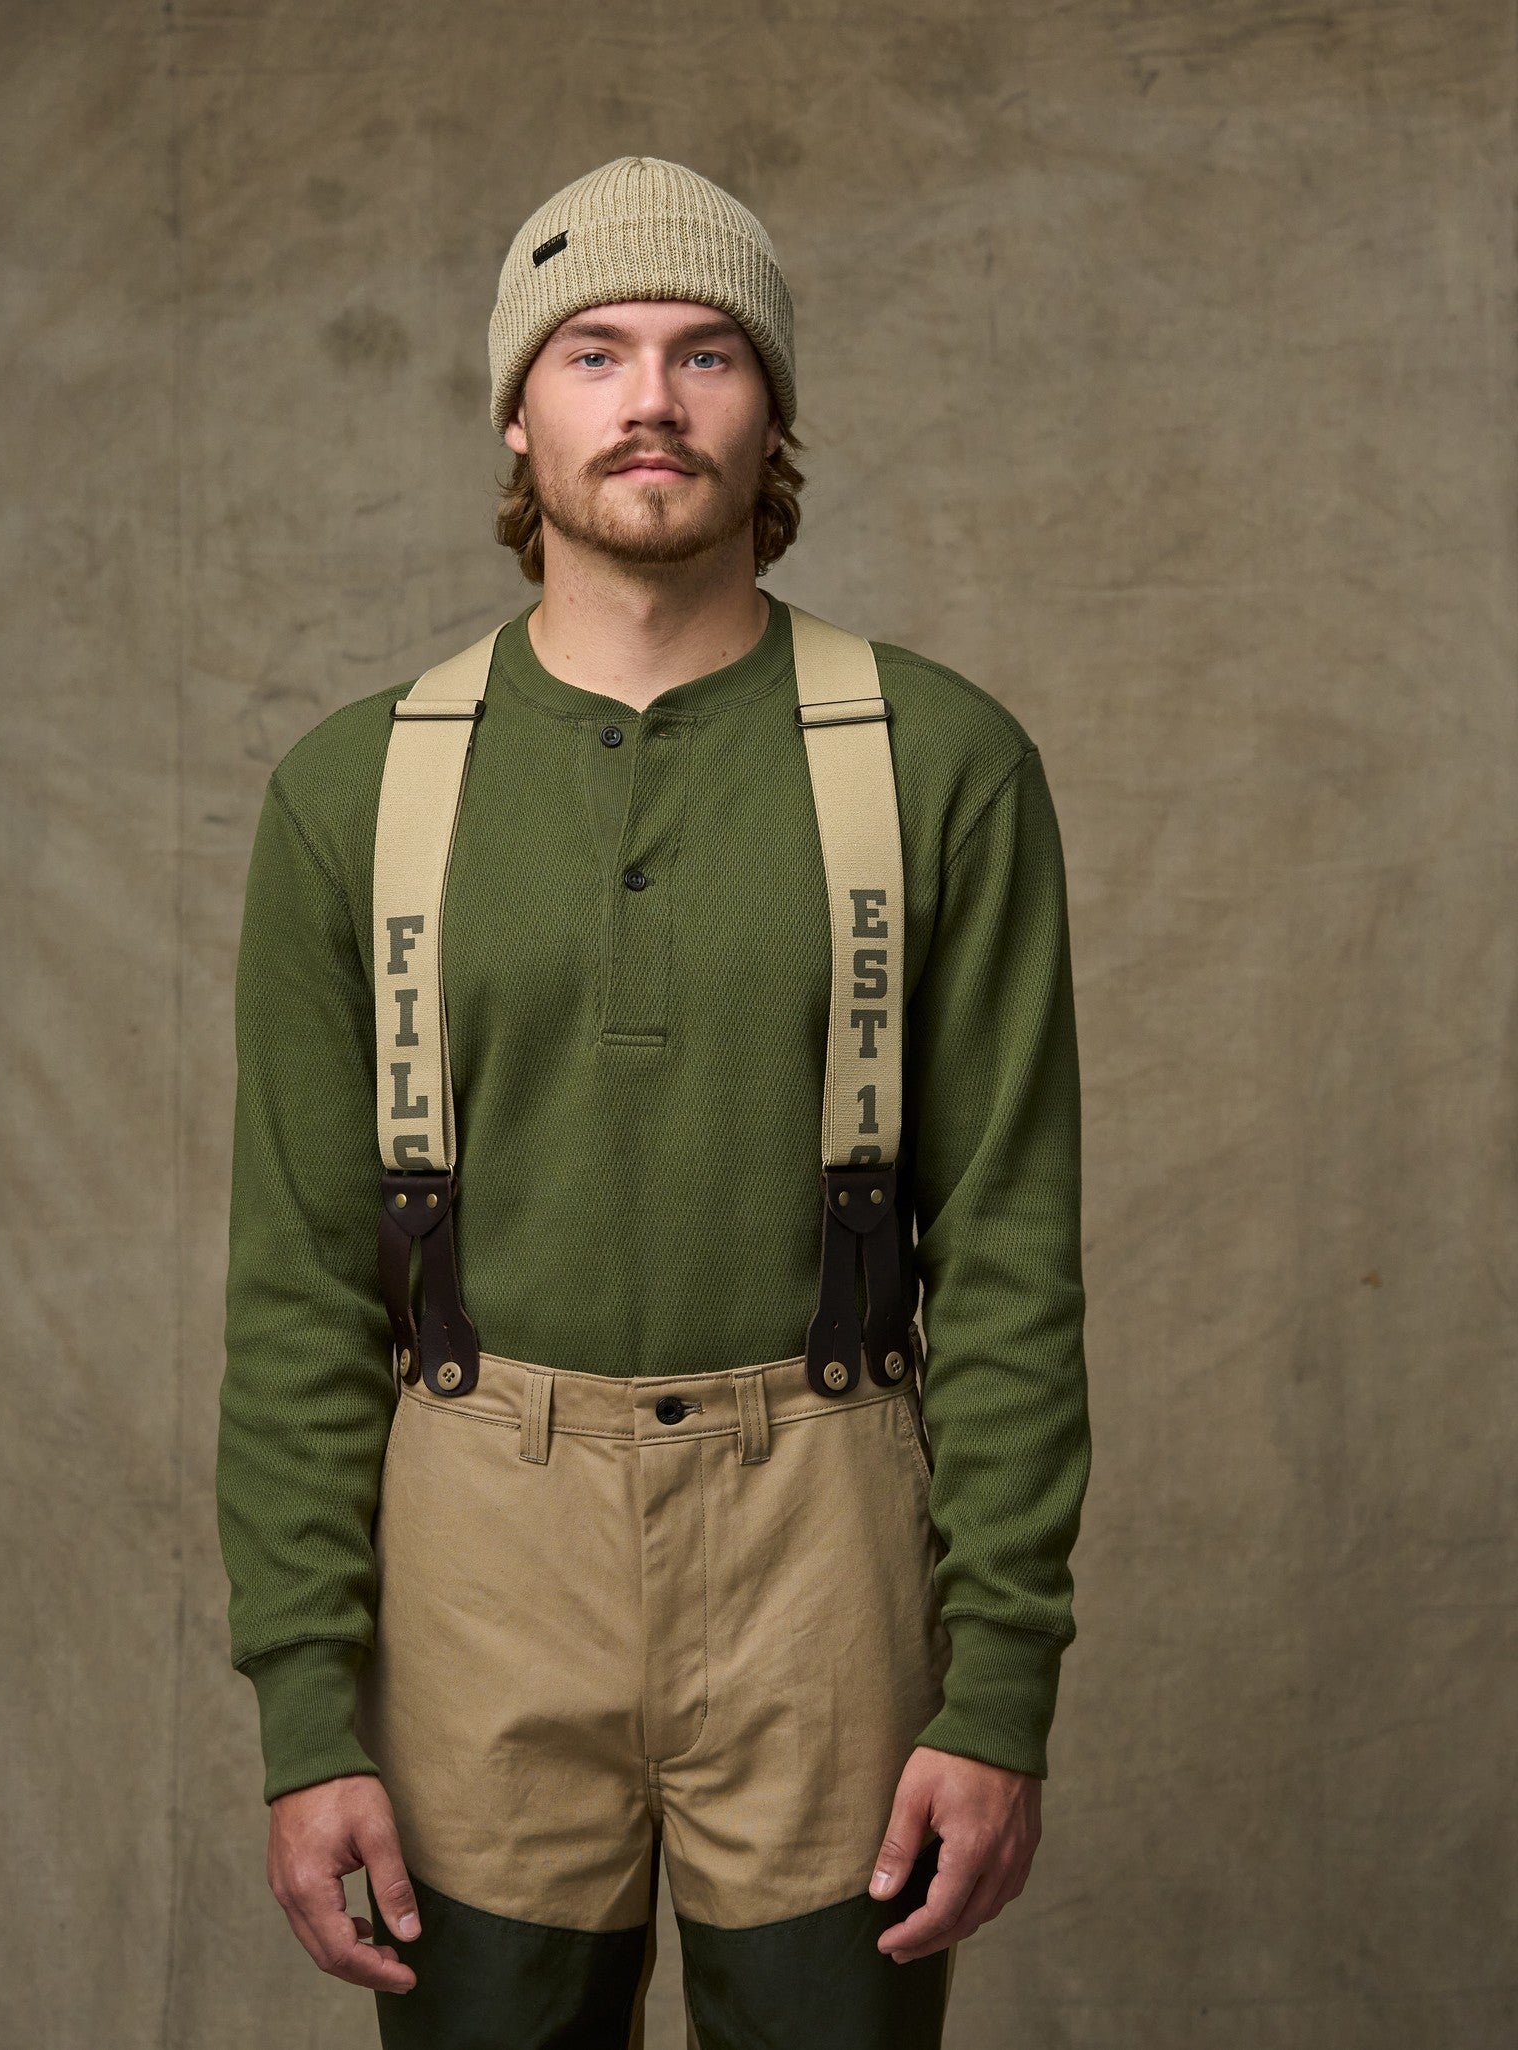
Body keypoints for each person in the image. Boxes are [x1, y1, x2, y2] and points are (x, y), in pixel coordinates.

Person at [216, 153, 1092, 2050]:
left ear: (769, 410)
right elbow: (298, 1285)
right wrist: (303, 1709)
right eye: (593, 350)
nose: (650, 399)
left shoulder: (943, 762)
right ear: (516, 412)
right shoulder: (352, 793)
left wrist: (1001, 1685)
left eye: (707, 352)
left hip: (825, 1542)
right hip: (477, 1551)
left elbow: (1012, 1252)